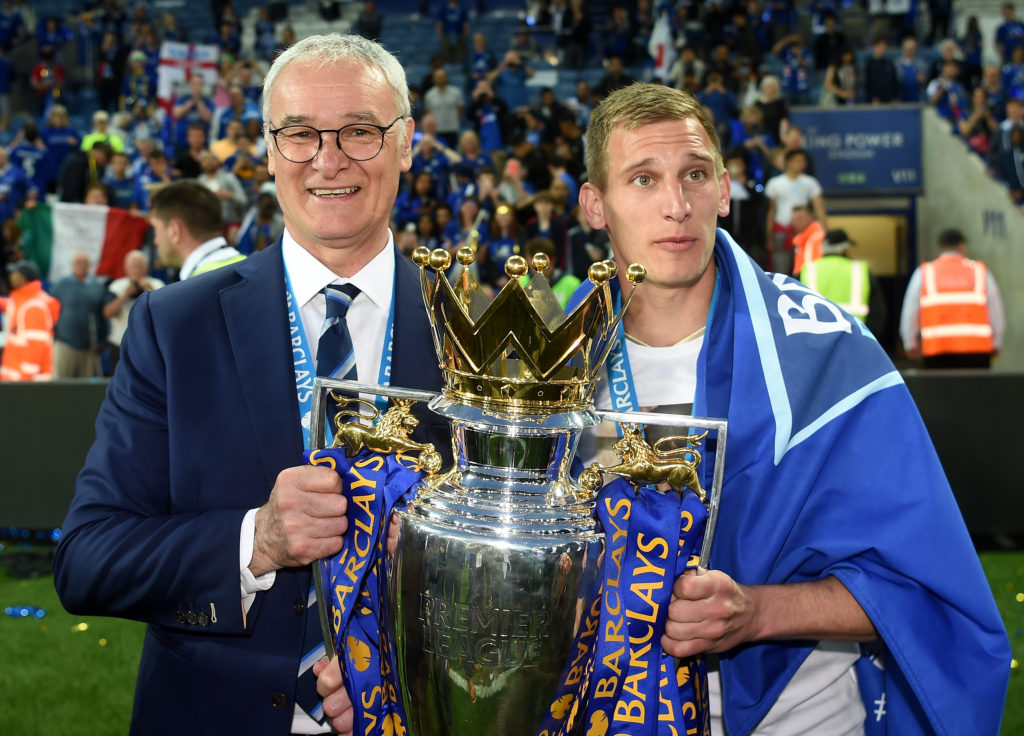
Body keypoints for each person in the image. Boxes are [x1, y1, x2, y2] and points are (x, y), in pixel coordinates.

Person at [572, 82, 1008, 735]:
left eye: (695, 175)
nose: (675, 204)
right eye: (642, 179)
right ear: (595, 206)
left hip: (801, 718)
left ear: (724, 190)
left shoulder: (828, 353)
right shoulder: (549, 365)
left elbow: (921, 587)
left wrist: (758, 612)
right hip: (601, 713)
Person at [54, 33, 447, 736]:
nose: (328, 160)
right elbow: (89, 559)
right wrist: (256, 541)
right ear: (268, 151)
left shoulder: (470, 336)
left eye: (360, 131)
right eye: (299, 135)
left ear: (407, 143)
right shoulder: (175, 325)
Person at [899, 227, 1005, 369]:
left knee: (941, 392)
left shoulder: (924, 272)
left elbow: (910, 312)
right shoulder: (980, 271)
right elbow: (996, 311)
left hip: (937, 350)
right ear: (961, 246)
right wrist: (996, 342)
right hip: (977, 352)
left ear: (939, 247)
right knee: (977, 391)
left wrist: (910, 343)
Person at [147, 179, 243, 279]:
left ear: (174, 230)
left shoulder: (193, 289)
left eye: (156, 229)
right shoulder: (251, 266)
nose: (155, 241)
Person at [800, 228, 886, 339]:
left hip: (816, 339)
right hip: (854, 337)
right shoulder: (859, 269)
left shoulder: (808, 270)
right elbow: (877, 311)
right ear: (844, 249)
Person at [764, 148, 826, 275]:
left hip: (804, 232)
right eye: (798, 161)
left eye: (803, 161)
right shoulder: (775, 183)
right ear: (789, 162)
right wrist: (769, 236)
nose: (802, 164)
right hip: (781, 230)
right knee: (781, 271)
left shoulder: (810, 182)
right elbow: (771, 211)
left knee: (805, 269)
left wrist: (826, 229)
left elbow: (819, 208)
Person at [102, 249, 163, 372]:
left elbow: (165, 313)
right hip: (120, 344)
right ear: (126, 268)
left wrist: (149, 290)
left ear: (145, 268)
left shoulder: (157, 284)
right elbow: (107, 313)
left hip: (149, 345)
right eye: (133, 266)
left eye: (139, 266)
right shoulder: (116, 286)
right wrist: (125, 294)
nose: (136, 270)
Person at [49, 251, 107, 379]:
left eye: (84, 263)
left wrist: (101, 340)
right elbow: (50, 310)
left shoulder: (97, 287)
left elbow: (102, 316)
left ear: (89, 266)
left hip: (89, 346)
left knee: (85, 387)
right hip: (64, 343)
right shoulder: (61, 285)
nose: (80, 265)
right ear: (72, 265)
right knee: (59, 385)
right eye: (77, 262)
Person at [0, 259, 59, 381]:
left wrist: (25, 379)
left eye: (14, 274)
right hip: (14, 377)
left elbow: (37, 345)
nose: (10, 277)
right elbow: (9, 305)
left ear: (23, 278)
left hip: (27, 382)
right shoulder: (21, 300)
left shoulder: (34, 306)